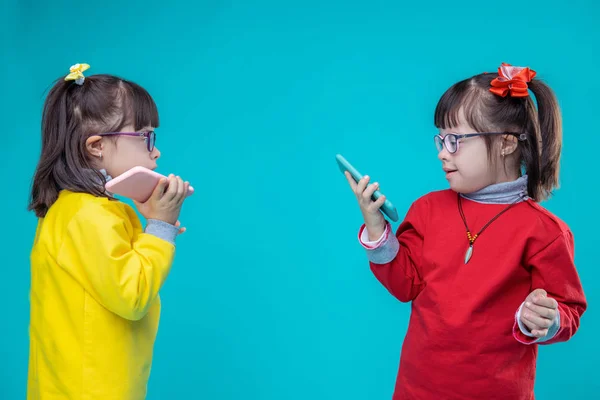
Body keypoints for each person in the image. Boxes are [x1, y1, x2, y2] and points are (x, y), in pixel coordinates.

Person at [345, 63, 587, 399]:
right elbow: (405, 285)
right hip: (418, 390)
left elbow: (568, 309)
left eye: (456, 140)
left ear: (505, 143)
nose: (443, 152)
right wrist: (376, 229)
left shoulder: (545, 231)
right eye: (441, 139)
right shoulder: (427, 209)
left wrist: (549, 318)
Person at [27, 63, 190, 399]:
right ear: (96, 146)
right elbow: (133, 295)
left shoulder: (71, 210)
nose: (155, 150)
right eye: (145, 136)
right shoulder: (92, 215)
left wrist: (149, 227)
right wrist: (159, 228)